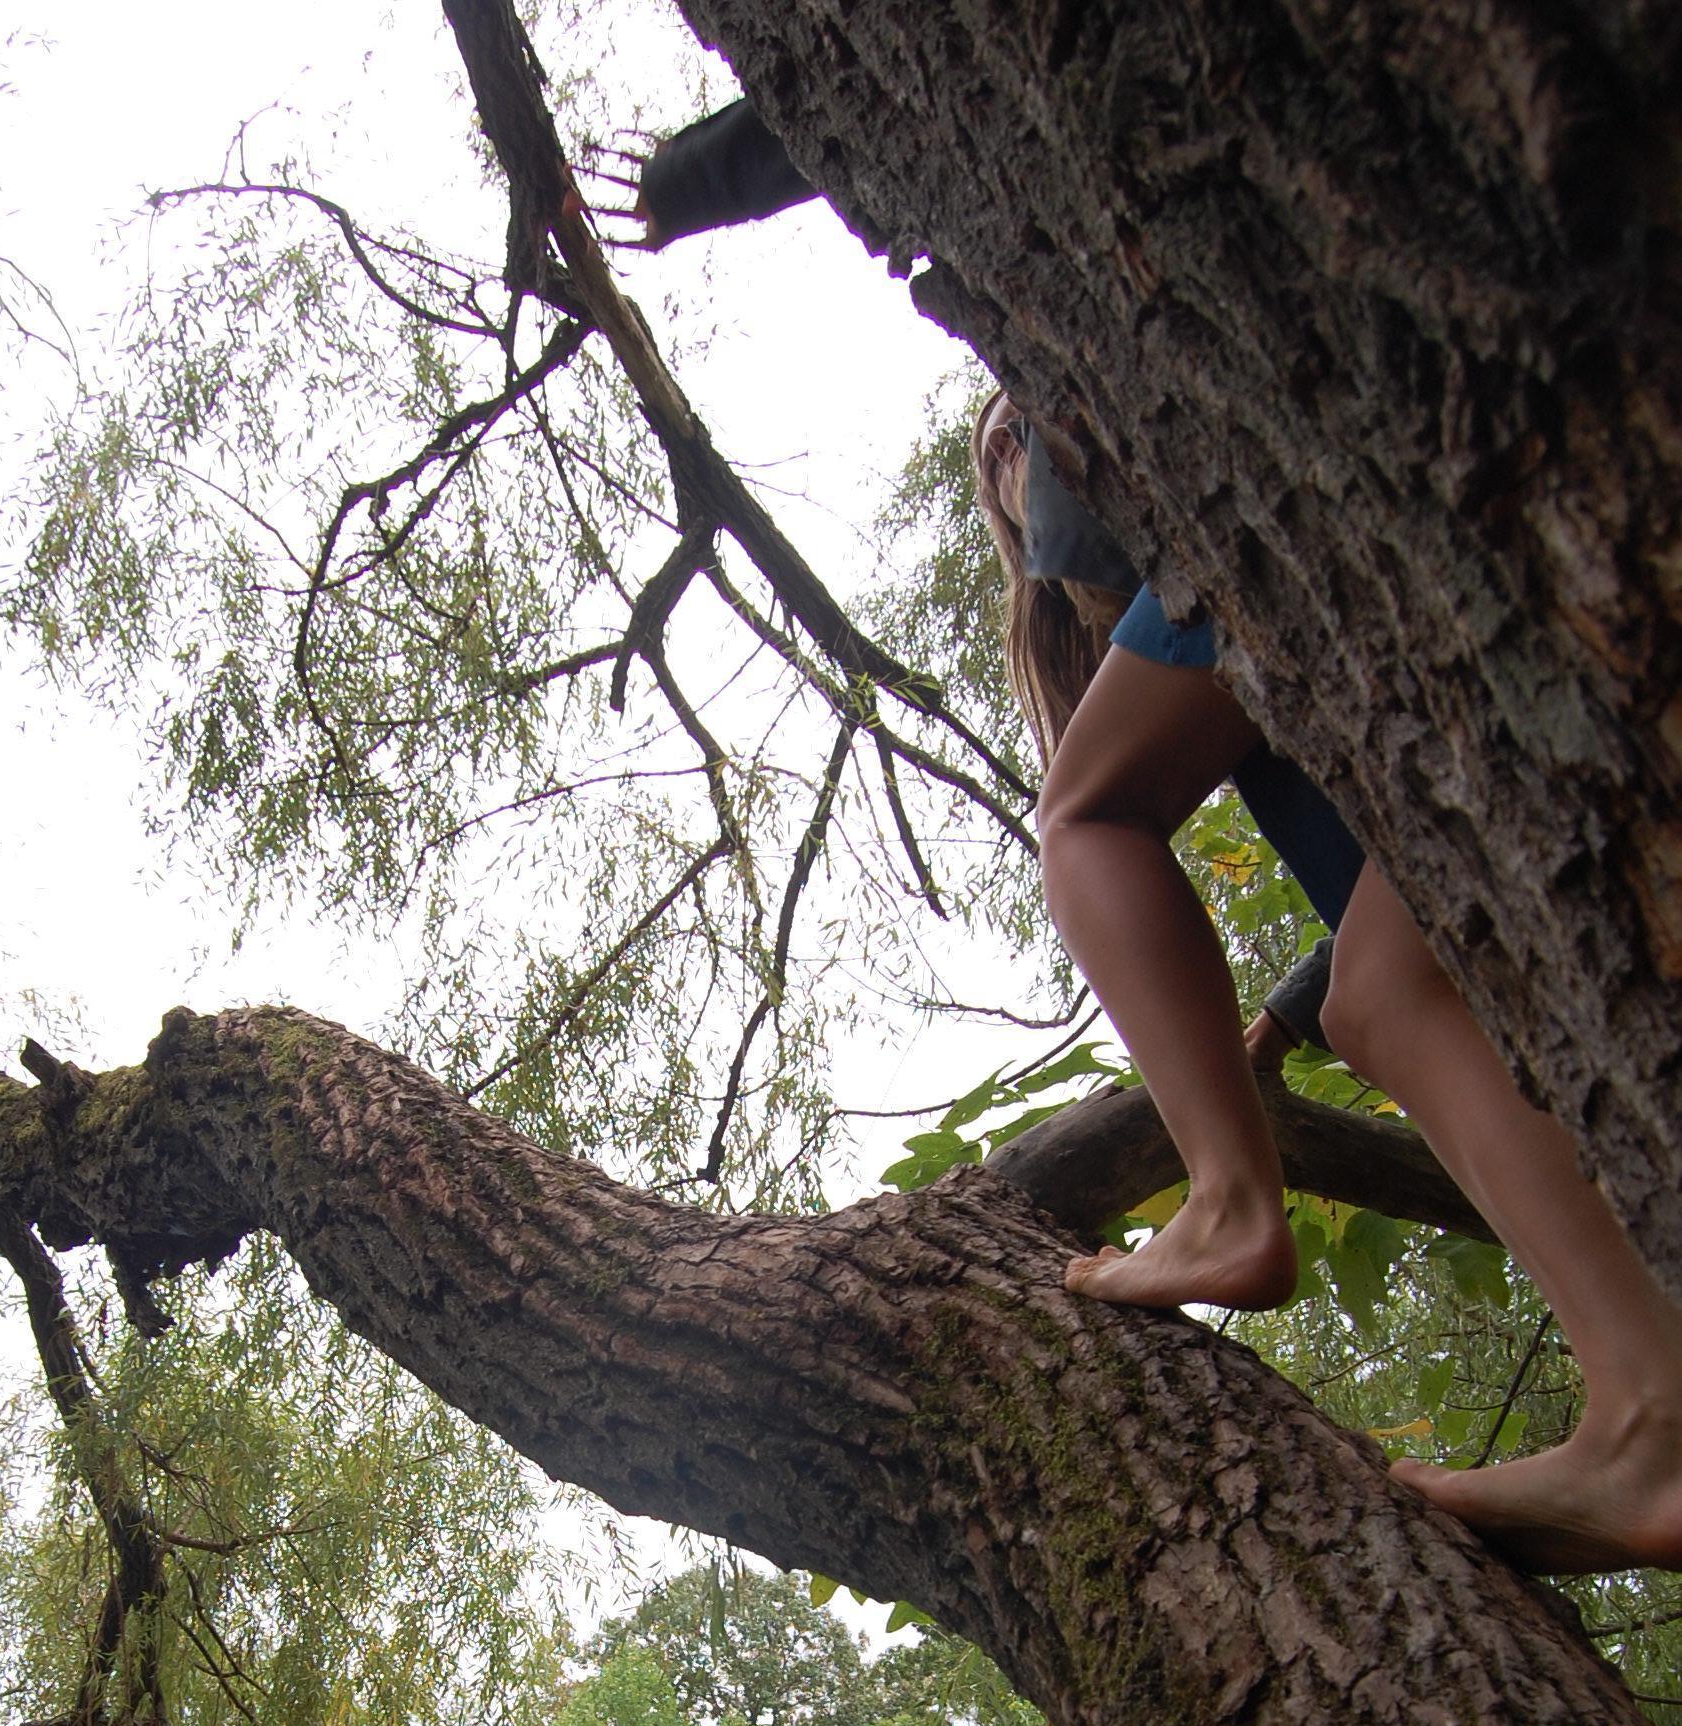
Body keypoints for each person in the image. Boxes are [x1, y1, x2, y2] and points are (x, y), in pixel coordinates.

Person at [620, 106, 1682, 1573]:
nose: (1019, 450)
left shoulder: (1192, 552)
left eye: (1019, 432)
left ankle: (1238, 1204)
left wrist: (701, 177)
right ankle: (1649, 1412)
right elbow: (1383, 856)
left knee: (1088, 823)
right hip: (1490, 794)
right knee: (1382, 988)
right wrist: (1290, 1014)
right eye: (1004, 449)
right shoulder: (1209, 664)